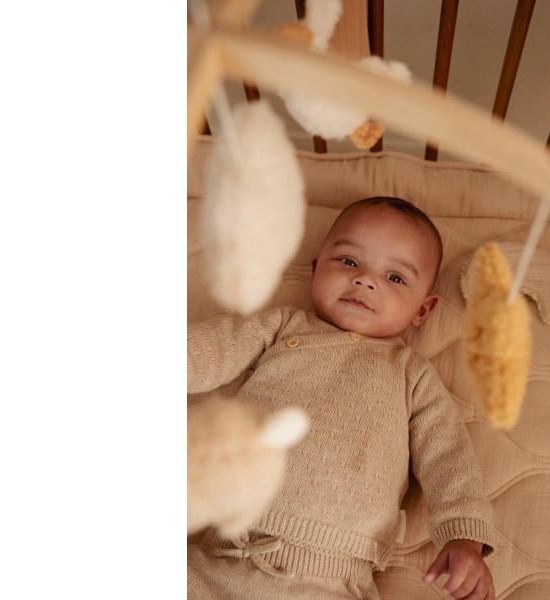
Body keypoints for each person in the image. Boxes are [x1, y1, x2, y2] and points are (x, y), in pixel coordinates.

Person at [188, 197, 496, 600]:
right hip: (219, 552)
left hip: (335, 580)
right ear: (317, 269)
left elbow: (448, 455)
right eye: (349, 262)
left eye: (395, 278)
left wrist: (464, 536)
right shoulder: (282, 327)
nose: (365, 280)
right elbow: (208, 350)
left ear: (422, 310)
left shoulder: (412, 374)